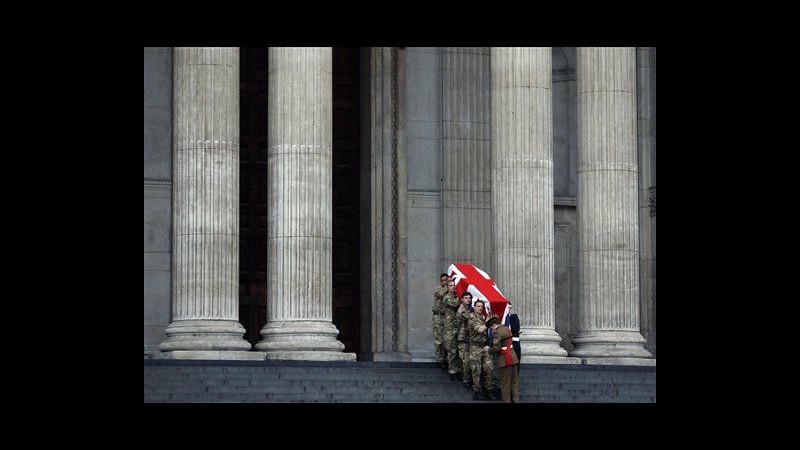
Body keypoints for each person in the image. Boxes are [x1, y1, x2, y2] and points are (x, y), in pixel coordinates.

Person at [485, 316, 520, 403]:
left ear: (494, 325)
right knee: (514, 384)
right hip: (513, 357)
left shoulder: (496, 332)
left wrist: (488, 349)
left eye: (491, 328)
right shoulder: (506, 328)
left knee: (505, 385)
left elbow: (497, 348)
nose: (491, 330)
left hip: (504, 360)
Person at [467, 300, 492, 400]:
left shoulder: (483, 318)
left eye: (482, 306)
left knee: (489, 367)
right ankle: (477, 391)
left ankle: (489, 390)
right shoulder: (471, 318)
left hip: (484, 347)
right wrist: (488, 322)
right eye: (478, 306)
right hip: (475, 348)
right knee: (476, 370)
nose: (480, 308)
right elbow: (480, 329)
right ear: (474, 307)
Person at [442, 279, 462, 380]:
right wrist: (461, 296)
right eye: (450, 285)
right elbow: (454, 304)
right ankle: (452, 371)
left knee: (459, 350)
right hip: (449, 328)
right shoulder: (446, 297)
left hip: (458, 326)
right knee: (452, 350)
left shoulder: (456, 296)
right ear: (448, 287)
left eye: (454, 285)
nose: (453, 287)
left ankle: (458, 370)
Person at [456, 291, 473, 388]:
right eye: (466, 298)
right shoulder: (461, 309)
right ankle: (466, 379)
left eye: (469, 298)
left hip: (469, 338)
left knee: (469, 360)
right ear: (462, 299)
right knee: (465, 360)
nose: (468, 299)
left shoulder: (469, 309)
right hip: (463, 338)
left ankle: (468, 378)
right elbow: (468, 317)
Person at [432, 273, 449, 369]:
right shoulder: (438, 289)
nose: (444, 282)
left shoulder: (450, 292)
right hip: (438, 317)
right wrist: (448, 286)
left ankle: (446, 359)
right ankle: (439, 359)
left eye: (446, 280)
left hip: (446, 318)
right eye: (443, 281)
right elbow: (440, 294)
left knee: (447, 339)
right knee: (439, 340)